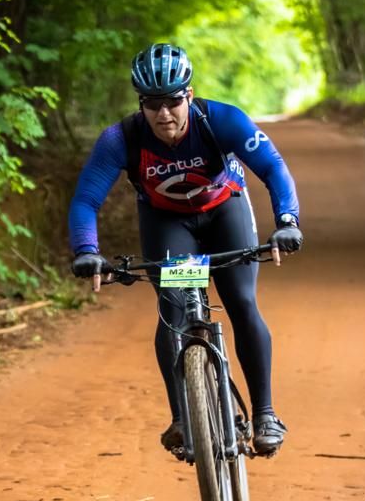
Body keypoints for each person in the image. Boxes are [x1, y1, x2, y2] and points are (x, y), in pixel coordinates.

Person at [68, 42, 303, 457]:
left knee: (242, 302)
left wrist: (287, 222)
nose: (164, 114)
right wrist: (87, 249)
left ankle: (265, 413)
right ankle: (182, 416)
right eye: (152, 103)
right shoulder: (120, 139)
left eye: (173, 102)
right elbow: (87, 200)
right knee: (173, 311)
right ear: (141, 104)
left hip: (224, 212)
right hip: (168, 223)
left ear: (189, 96)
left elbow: (273, 169)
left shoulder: (223, 120)